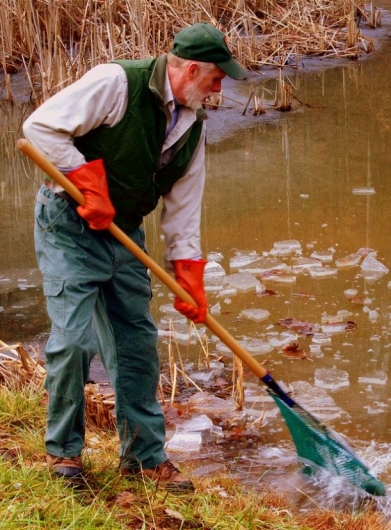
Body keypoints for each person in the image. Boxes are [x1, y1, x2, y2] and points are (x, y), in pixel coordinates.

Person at [22, 23, 248, 492]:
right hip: (68, 223)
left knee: (138, 345)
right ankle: (64, 455)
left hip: (124, 231)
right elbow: (39, 127)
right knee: (75, 340)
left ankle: (143, 458)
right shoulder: (115, 82)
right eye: (215, 79)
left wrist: (190, 277)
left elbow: (183, 214)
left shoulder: (193, 127)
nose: (218, 89)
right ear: (190, 69)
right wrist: (86, 181)